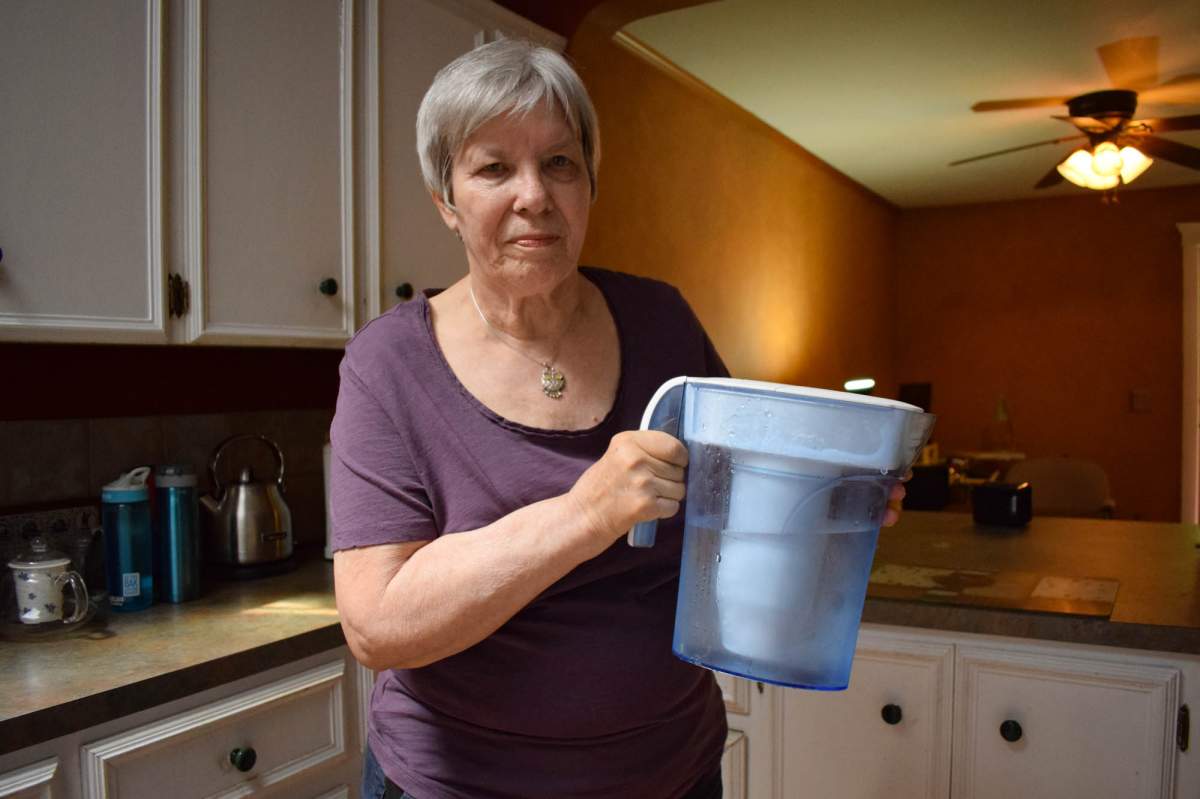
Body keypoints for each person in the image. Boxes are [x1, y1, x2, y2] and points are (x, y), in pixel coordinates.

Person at [330, 39, 906, 799]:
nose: (534, 194)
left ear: (590, 185)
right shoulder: (389, 366)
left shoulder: (660, 318)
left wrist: (827, 497)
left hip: (672, 773)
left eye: (561, 163)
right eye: (494, 167)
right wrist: (586, 511)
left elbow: (732, 502)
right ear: (446, 199)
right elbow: (379, 623)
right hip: (461, 785)